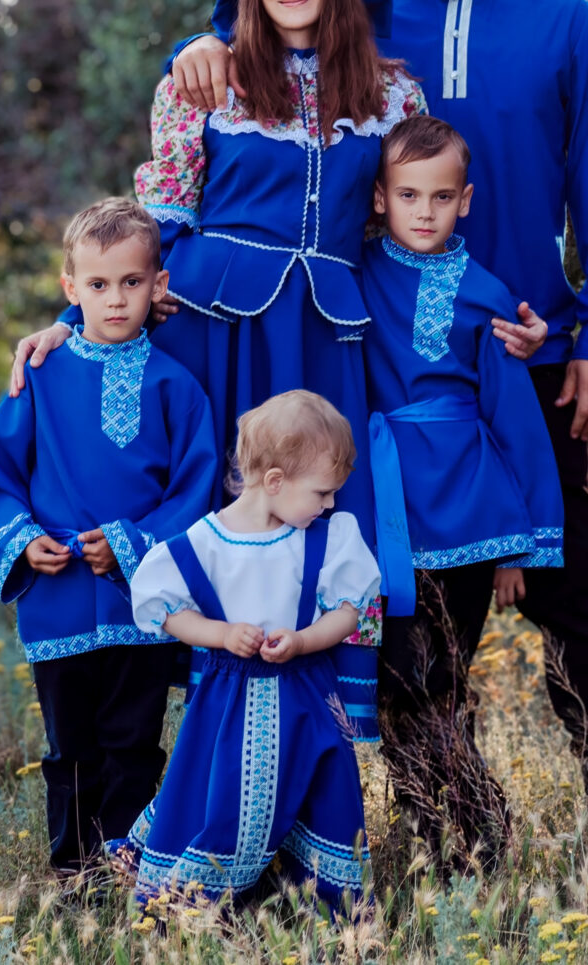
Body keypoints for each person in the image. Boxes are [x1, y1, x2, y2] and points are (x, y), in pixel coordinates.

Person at [165, 0, 588, 806]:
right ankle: (449, 804)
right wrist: (197, 49)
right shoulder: (366, 17)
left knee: (565, 571)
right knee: (407, 600)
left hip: (522, 342)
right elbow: (270, 29)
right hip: (384, 358)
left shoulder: (564, 22)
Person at [5, 0, 542, 737]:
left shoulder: (392, 92)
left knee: (316, 515)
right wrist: (75, 323)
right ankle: (208, 752)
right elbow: (153, 224)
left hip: (327, 344)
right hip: (212, 337)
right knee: (216, 512)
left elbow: (413, 224)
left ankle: (307, 742)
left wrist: (491, 319)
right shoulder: (204, 81)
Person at [0, 198, 222, 881]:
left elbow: (194, 494)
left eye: (131, 282)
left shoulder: (178, 387)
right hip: (58, 600)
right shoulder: (39, 374)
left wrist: (131, 544)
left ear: (158, 285)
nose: (115, 299)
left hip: (143, 603)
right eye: (99, 284)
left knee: (134, 744)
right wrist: (22, 540)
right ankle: (74, 880)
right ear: (70, 288)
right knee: (69, 749)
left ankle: (131, 873)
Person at [360, 114, 564, 866]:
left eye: (441, 197)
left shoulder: (486, 294)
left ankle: (483, 836)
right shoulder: (353, 273)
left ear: (465, 200)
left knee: (443, 681)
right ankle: (433, 836)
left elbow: (515, 420)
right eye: (408, 195)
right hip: (386, 512)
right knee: (392, 686)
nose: (424, 211)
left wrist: (517, 547)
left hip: (472, 517)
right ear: (380, 198)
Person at [119, 390, 381, 912]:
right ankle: (197, 899)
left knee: (325, 792)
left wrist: (304, 639)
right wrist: (220, 634)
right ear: (276, 481)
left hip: (307, 694)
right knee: (227, 796)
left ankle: (327, 904)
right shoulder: (204, 543)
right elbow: (163, 608)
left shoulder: (326, 538)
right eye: (323, 492)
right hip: (229, 701)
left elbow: (351, 611)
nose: (330, 504)